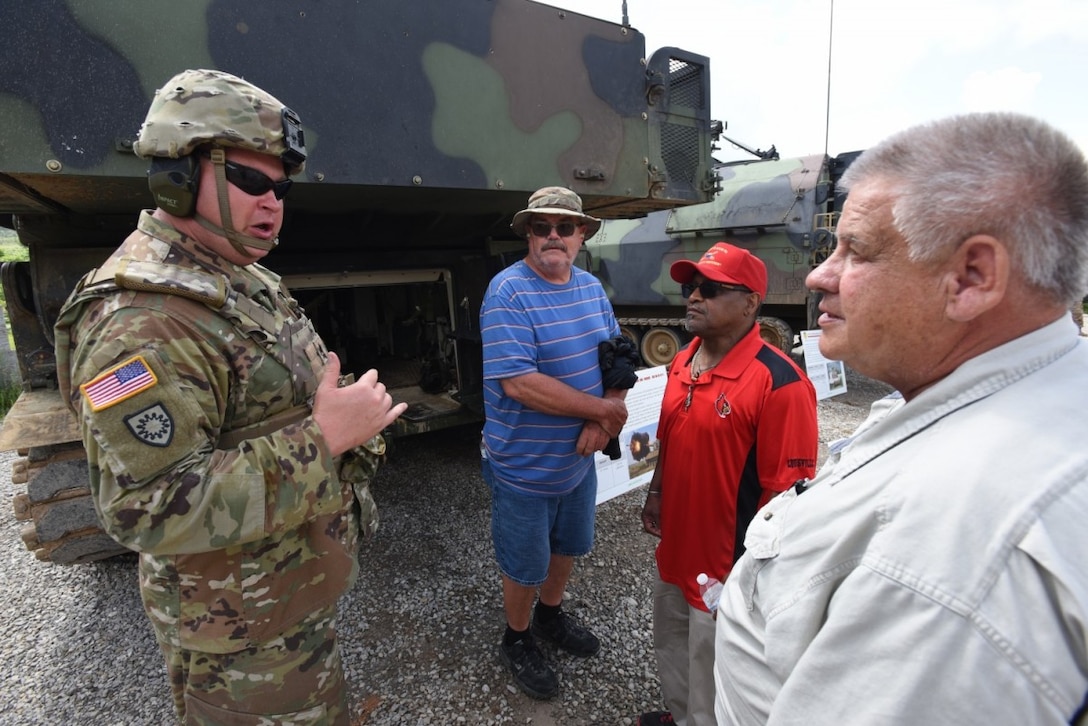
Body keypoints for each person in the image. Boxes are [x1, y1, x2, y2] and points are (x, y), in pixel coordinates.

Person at [53, 69, 407, 725]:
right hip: (238, 639)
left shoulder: (238, 277)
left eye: (282, 188)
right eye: (251, 181)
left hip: (281, 595)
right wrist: (323, 440)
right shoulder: (143, 321)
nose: (273, 202)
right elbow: (144, 507)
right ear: (178, 176)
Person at [713, 112, 1088, 725]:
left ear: (970, 278)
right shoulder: (1013, 394)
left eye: (855, 250)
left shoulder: (955, 553)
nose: (818, 275)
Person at [636, 242, 818, 726]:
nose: (694, 297)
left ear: (751, 304)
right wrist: (656, 492)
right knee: (672, 645)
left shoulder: (781, 384)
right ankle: (681, 716)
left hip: (726, 569)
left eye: (711, 289)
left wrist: (755, 585)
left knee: (715, 665)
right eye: (690, 287)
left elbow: (789, 502)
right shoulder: (682, 361)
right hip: (675, 550)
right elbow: (670, 437)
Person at [479, 186, 629, 699]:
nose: (552, 236)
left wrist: (604, 421)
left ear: (581, 235)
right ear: (528, 234)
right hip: (523, 464)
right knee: (524, 564)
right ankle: (516, 637)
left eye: (564, 227)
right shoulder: (508, 292)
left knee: (568, 546)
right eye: (541, 227)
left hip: (577, 460)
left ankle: (550, 616)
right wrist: (601, 412)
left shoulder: (590, 288)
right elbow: (518, 382)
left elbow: (619, 356)